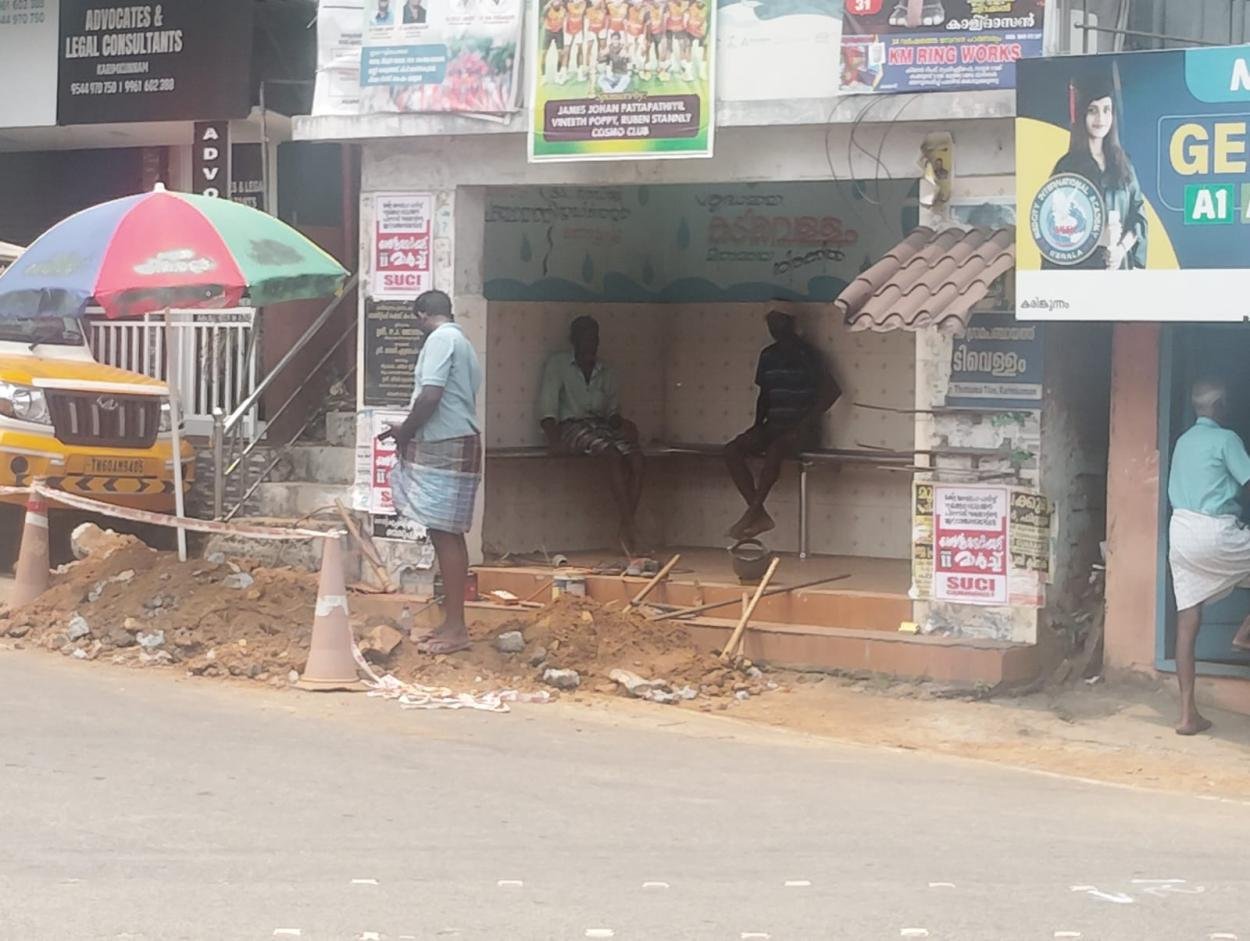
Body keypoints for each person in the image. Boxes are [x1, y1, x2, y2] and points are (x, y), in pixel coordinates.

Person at [387, 291, 483, 656]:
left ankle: (457, 629)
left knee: (444, 535)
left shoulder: (441, 339)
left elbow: (431, 396)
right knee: (447, 534)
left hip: (445, 442)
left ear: (421, 314)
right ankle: (451, 622)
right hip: (454, 439)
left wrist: (406, 431)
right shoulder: (463, 341)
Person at [1167, 379, 1250, 736]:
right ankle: (1245, 633)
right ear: (1219, 406)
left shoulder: (1183, 442)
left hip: (1181, 533)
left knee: (1188, 621)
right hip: (1215, 530)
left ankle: (1187, 716)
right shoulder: (1227, 439)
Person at [724, 309, 839, 541]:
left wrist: (805, 424)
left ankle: (753, 513)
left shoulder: (809, 355)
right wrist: (757, 425)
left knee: (776, 449)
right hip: (773, 425)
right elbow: (764, 394)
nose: (775, 328)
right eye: (771, 323)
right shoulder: (768, 355)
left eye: (779, 322)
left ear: (791, 323)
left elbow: (833, 391)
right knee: (732, 450)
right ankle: (758, 512)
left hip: (802, 430)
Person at [538, 316, 645, 555]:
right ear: (574, 341)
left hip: (600, 426)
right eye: (586, 340)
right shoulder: (558, 365)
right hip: (571, 427)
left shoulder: (606, 371)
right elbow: (547, 409)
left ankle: (626, 525)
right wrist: (554, 441)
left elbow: (612, 414)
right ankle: (630, 529)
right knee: (611, 453)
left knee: (637, 457)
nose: (591, 345)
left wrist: (624, 425)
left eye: (594, 340)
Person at [1047, 70, 1146, 271]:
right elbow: (1053, 227)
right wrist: (1099, 239)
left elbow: (1138, 216)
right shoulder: (1067, 168)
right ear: (1082, 114)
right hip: (1082, 272)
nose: (1101, 118)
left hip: (1119, 268)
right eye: (1092, 110)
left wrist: (1120, 249)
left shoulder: (1123, 163)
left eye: (1106, 110)